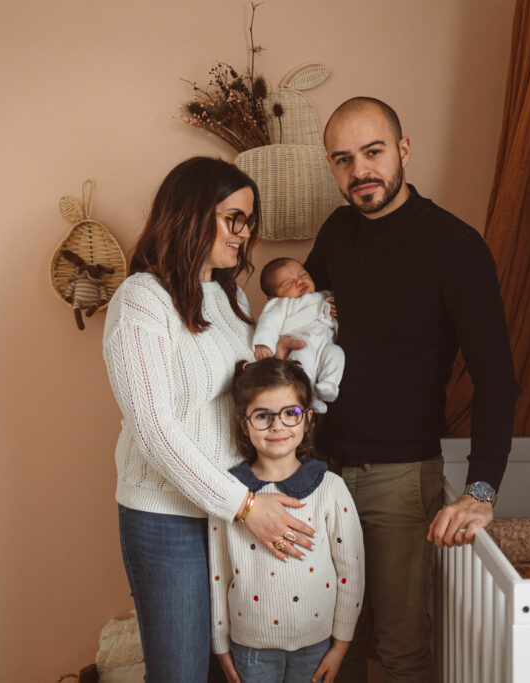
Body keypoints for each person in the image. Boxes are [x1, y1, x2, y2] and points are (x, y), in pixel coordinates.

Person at [299, 97, 520, 681]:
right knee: (331, 641)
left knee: (398, 648)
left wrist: (481, 489)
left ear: (403, 150)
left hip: (400, 480)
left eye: (372, 152)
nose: (359, 171)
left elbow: (496, 377)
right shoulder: (337, 232)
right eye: (342, 159)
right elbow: (305, 326)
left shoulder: (456, 247)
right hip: (320, 471)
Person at [102, 157, 319, 682]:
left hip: (234, 510)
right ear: (191, 214)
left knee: (235, 670)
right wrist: (245, 506)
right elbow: (155, 433)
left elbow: (236, 399)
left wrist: (277, 364)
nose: (244, 236)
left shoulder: (230, 297)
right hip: (168, 518)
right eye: (233, 219)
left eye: (247, 221)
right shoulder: (141, 301)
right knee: (180, 672)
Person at [209, 358, 364, 683]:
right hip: (250, 646)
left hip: (317, 643)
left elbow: (351, 572)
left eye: (289, 414)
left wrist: (340, 646)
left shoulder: (330, 489)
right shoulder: (228, 495)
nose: (277, 426)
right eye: (263, 416)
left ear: (307, 420)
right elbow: (217, 576)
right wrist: (220, 645)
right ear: (244, 423)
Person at [253, 258, 345, 412]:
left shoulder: (325, 296)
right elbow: (269, 321)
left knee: (337, 354)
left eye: (303, 275)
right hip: (299, 343)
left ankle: (329, 385)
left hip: (325, 346)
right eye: (288, 283)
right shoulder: (281, 304)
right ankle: (309, 396)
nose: (299, 282)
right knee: (304, 357)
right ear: (274, 297)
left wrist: (337, 310)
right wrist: (264, 343)